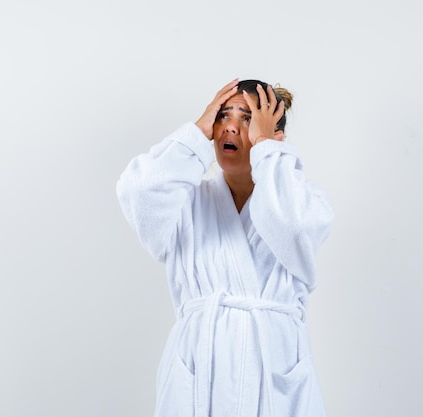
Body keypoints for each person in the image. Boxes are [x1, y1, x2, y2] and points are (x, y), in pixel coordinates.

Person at [117, 79, 334, 417]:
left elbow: (292, 227)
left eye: (248, 118)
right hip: (200, 373)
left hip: (275, 376)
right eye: (223, 115)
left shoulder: (305, 201)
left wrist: (266, 149)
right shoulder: (185, 203)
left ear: (275, 138)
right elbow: (140, 193)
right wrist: (194, 137)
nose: (230, 126)